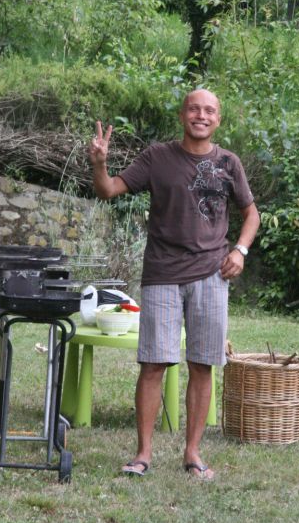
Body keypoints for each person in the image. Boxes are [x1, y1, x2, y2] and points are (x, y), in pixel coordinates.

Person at [88, 89, 260, 480]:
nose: (201, 115)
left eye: (209, 110)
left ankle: (193, 453)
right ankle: (143, 454)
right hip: (162, 274)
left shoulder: (229, 163)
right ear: (183, 114)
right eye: (194, 108)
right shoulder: (157, 158)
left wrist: (241, 251)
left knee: (202, 365)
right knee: (154, 364)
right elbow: (108, 190)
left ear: (218, 119)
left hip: (212, 275)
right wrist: (100, 164)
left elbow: (252, 214)